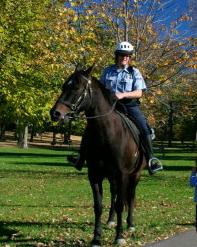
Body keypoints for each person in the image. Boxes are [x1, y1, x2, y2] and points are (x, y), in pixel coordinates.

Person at [67, 41, 163, 175]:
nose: (125, 57)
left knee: (143, 127)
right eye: (122, 55)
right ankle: (80, 157)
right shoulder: (108, 71)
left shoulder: (134, 72)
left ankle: (151, 159)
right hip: (110, 105)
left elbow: (139, 92)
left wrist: (122, 95)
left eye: (128, 55)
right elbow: (100, 90)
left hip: (129, 105)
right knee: (90, 127)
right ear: (117, 55)